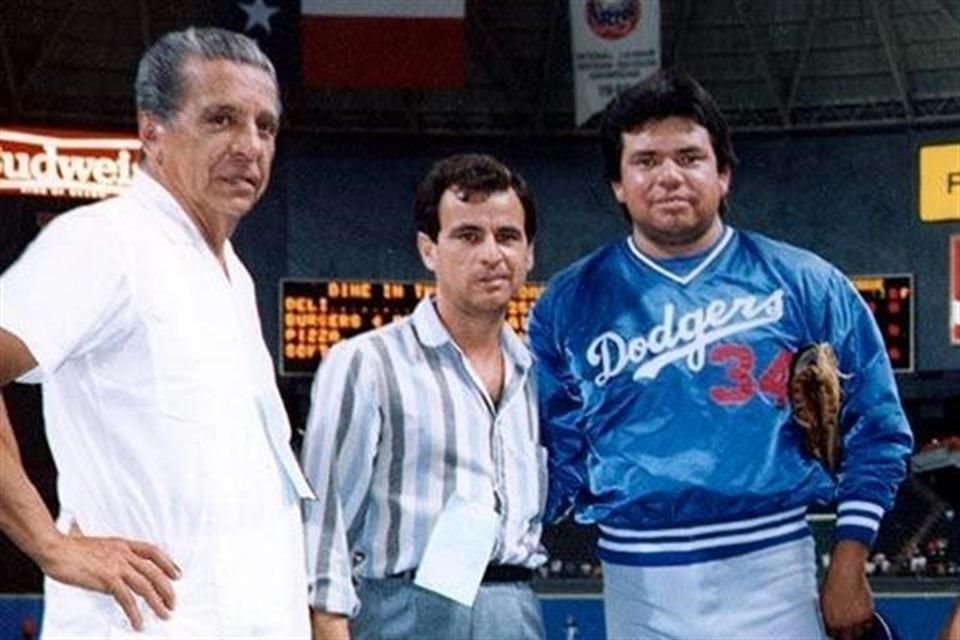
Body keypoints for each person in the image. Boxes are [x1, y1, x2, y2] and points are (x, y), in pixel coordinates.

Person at [527, 69, 913, 640]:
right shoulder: (568, 301)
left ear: (723, 174)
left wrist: (851, 557)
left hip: (775, 569)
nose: (669, 176)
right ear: (617, 183)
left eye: (689, 156)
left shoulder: (807, 283)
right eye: (646, 160)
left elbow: (878, 428)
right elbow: (552, 454)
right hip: (637, 580)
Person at [0, 27, 314, 638]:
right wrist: (48, 544)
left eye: (265, 126)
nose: (249, 145)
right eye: (221, 119)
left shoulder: (233, 277)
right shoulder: (105, 243)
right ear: (152, 131)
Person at [302, 154, 547, 640]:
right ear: (428, 248)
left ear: (529, 254)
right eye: (468, 235)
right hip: (405, 611)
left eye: (508, 237)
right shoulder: (367, 363)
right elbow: (323, 527)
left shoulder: (538, 375)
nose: (491, 254)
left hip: (514, 608)